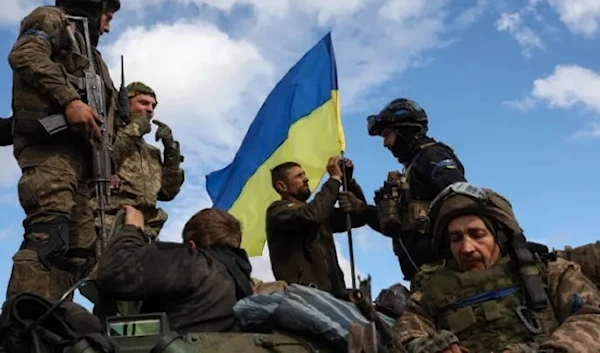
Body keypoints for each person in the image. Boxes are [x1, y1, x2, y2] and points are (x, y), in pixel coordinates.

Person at [394, 182, 600, 353]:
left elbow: (591, 318)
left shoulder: (549, 273)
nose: (466, 248)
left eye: (477, 234)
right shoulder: (430, 294)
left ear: (499, 238)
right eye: (456, 238)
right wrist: (430, 347)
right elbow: (407, 335)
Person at [6, 0, 121, 303]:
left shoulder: (93, 56)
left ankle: (53, 321)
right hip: (51, 153)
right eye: (107, 16)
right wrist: (70, 101)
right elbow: (26, 55)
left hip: (85, 164)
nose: (107, 27)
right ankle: (22, 327)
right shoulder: (51, 18)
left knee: (81, 251)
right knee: (49, 238)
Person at [95, 206, 253, 333]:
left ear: (191, 246)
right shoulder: (243, 284)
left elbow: (116, 272)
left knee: (71, 317)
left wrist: (132, 230)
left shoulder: (196, 263)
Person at [367, 97, 466, 283]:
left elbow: (460, 200)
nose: (385, 143)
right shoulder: (413, 167)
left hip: (447, 274)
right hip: (425, 276)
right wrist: (362, 210)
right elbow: (403, 226)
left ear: (404, 131)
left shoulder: (432, 156)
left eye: (387, 134)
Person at [265, 156, 376, 298]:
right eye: (299, 176)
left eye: (304, 174)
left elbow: (358, 218)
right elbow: (313, 215)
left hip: (333, 296)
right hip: (304, 297)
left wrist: (348, 181)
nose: (306, 179)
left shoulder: (318, 211)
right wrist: (334, 179)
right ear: (282, 186)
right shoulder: (278, 211)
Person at [93, 81, 184, 241]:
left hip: (147, 230)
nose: (149, 109)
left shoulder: (151, 152)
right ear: (125, 105)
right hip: (108, 226)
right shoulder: (106, 137)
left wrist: (171, 152)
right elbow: (105, 159)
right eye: (143, 103)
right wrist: (136, 128)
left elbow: (168, 192)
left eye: (153, 106)